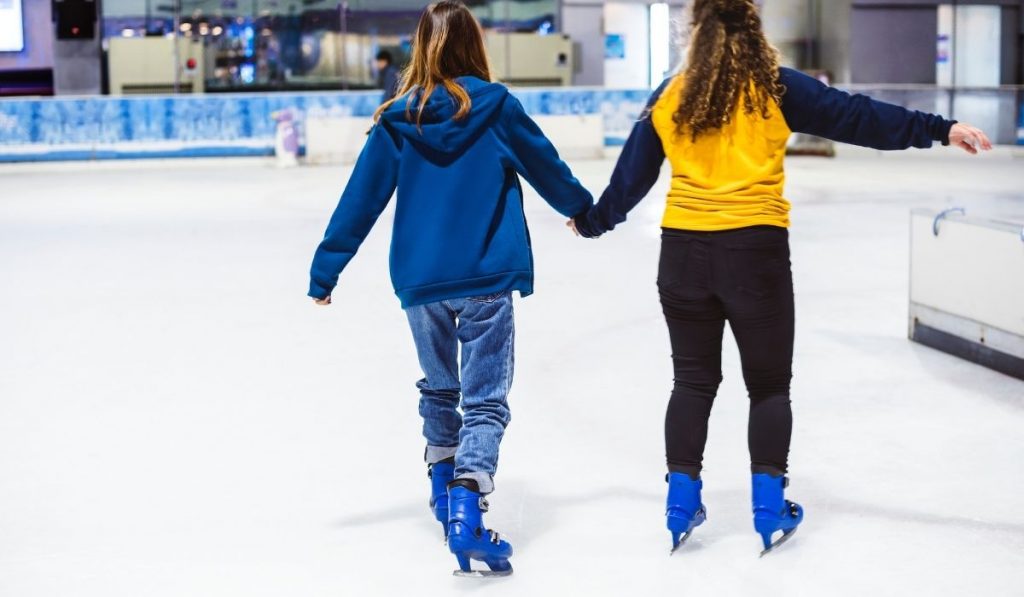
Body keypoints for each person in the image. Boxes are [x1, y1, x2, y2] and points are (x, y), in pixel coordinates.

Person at [570, 0, 991, 556]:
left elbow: (630, 179)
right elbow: (857, 116)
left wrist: (593, 222)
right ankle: (768, 508)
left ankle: (680, 504)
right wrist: (940, 129)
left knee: (692, 382)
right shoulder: (774, 87)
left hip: (683, 256)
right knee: (768, 386)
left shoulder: (671, 95)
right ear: (753, 28)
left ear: (693, 31)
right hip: (755, 255)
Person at [308, 1, 593, 576]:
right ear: (474, 45)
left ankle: (443, 494)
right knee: (484, 399)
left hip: (421, 282)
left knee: (441, 390)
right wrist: (583, 210)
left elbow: (359, 201)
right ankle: (467, 505)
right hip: (486, 275)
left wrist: (326, 269)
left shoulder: (397, 119)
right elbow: (546, 166)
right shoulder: (496, 108)